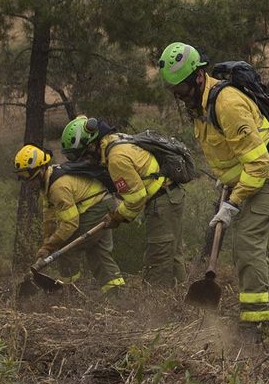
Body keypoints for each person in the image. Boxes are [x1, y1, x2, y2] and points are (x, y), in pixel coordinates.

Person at [158, 42, 269, 339]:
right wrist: (229, 178)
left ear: (198, 77)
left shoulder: (226, 104)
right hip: (247, 175)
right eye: (174, 92)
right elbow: (231, 151)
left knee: (246, 241)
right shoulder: (199, 105)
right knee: (250, 243)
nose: (179, 97)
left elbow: (258, 163)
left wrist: (232, 205)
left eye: (181, 90)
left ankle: (255, 325)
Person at [60, 116, 185, 285]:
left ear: (91, 145)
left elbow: (136, 198)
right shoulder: (115, 139)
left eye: (83, 156)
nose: (85, 161)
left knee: (158, 257)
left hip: (162, 202)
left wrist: (116, 216)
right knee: (171, 254)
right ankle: (181, 302)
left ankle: (158, 303)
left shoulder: (116, 158)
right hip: (170, 196)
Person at [13, 144, 125, 293]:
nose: (27, 181)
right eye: (23, 177)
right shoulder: (48, 182)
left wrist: (52, 246)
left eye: (28, 176)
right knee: (97, 251)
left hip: (97, 209)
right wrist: (45, 245)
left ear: (40, 169)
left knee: (65, 249)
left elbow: (70, 224)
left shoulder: (58, 188)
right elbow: (50, 217)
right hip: (103, 204)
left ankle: (69, 291)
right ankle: (116, 293)